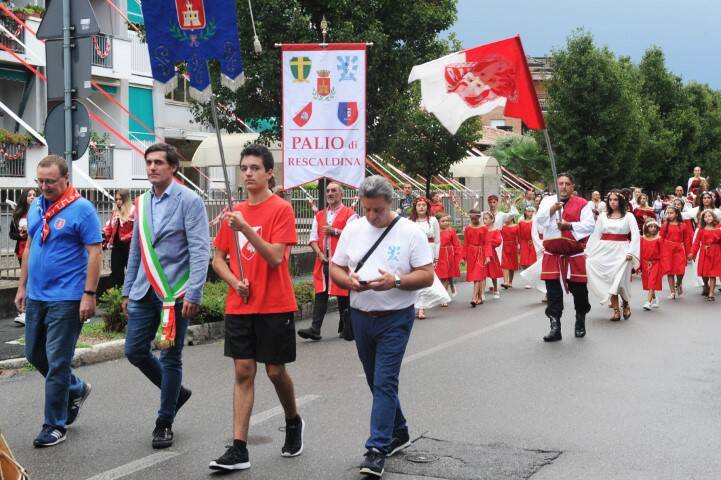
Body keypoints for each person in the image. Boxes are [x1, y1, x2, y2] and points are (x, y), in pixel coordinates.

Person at [330, 175, 434, 478]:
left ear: (390, 203)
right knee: (375, 379)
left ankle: (377, 448)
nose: (373, 216)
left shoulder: (410, 232)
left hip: (396, 317)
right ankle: (399, 430)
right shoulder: (353, 229)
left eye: (378, 210)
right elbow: (335, 266)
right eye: (368, 210)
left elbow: (426, 275)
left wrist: (396, 281)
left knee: (385, 381)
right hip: (361, 315)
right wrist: (346, 280)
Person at [209, 144, 304, 471]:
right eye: (244, 168)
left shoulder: (281, 209)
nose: (247, 173)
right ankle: (238, 447)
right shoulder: (233, 212)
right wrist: (235, 282)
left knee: (275, 371)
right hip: (240, 304)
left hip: (275, 303)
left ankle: (293, 420)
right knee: (243, 370)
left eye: (254, 168)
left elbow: (276, 257)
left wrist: (245, 228)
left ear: (268, 173)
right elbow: (218, 259)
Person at [122, 143, 210, 449]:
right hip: (144, 289)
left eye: (158, 162)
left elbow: (200, 250)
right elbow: (137, 249)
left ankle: (164, 421)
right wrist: (126, 288)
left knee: (170, 356)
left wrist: (195, 293)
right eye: (148, 162)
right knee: (134, 351)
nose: (152, 167)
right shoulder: (143, 202)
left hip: (175, 291)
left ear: (172, 167)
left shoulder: (190, 200)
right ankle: (176, 394)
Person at [14, 155, 101, 447]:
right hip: (37, 295)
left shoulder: (83, 210)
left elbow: (95, 254)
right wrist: (21, 286)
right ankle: (75, 388)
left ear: (66, 179)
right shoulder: (37, 206)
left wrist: (88, 294)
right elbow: (29, 250)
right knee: (33, 355)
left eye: (50, 181)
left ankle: (54, 424)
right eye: (40, 181)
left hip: (67, 297)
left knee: (58, 361)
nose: (44, 186)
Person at [535, 173, 595, 341]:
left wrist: (569, 225)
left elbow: (590, 225)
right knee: (553, 293)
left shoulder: (582, 203)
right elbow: (539, 220)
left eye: (567, 183)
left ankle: (580, 319)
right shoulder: (548, 201)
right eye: (560, 183)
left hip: (574, 255)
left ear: (572, 186)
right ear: (556, 185)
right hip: (552, 255)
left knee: (580, 293)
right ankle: (555, 328)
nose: (563, 186)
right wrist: (552, 210)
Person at [298, 181, 356, 341]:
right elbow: (313, 238)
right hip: (323, 260)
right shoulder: (319, 215)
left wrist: (335, 231)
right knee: (321, 293)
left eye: (334, 191)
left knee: (343, 294)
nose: (330, 193)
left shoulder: (350, 214)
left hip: (341, 262)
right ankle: (315, 328)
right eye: (328, 191)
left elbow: (353, 235)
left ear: (341, 194)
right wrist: (318, 253)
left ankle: (347, 327)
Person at [585, 190, 640, 321]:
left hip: (622, 252)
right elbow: (596, 235)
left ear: (621, 201)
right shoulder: (603, 216)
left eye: (615, 200)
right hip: (605, 251)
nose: (612, 202)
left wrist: (631, 252)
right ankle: (616, 310)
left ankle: (625, 303)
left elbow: (636, 235)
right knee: (611, 281)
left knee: (621, 282)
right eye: (610, 200)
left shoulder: (629, 216)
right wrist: (589, 252)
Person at [9, 187, 38, 326]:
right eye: (29, 195)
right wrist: (20, 236)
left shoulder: (40, 212)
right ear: (24, 198)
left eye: (34, 195)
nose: (32, 197)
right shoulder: (17, 215)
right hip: (21, 251)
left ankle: (29, 312)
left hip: (36, 250)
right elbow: (11, 234)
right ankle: (24, 311)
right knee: (25, 280)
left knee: (34, 279)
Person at [410, 197, 440, 319]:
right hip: (415, 251)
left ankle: (421, 308)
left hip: (429, 250)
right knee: (413, 280)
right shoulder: (410, 221)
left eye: (423, 205)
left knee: (424, 279)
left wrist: (436, 257)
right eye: (419, 205)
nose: (421, 207)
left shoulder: (432, 221)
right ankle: (412, 307)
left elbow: (437, 240)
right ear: (415, 207)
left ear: (427, 207)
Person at [102, 189, 134, 289]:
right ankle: (117, 298)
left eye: (121, 199)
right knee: (116, 274)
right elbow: (110, 228)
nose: (118, 201)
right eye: (116, 199)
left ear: (126, 199)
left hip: (130, 248)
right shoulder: (115, 212)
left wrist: (126, 237)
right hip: (117, 247)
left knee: (132, 274)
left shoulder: (133, 211)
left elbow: (138, 230)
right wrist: (104, 239)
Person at [660, 205, 692, 299]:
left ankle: (678, 283)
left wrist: (689, 252)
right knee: (669, 271)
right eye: (667, 213)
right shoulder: (665, 225)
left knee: (680, 270)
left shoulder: (682, 225)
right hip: (667, 249)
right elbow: (661, 238)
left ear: (677, 214)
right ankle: (672, 292)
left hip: (678, 249)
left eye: (671, 213)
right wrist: (660, 251)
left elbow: (686, 239)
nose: (669, 215)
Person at [688, 210, 721, 301]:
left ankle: (711, 293)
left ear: (714, 217)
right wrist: (692, 253)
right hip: (704, 253)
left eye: (710, 216)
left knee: (713, 274)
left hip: (716, 253)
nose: (708, 218)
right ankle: (706, 285)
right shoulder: (701, 230)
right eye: (705, 217)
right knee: (704, 274)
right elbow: (696, 243)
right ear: (703, 219)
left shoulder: (718, 230)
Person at [464, 208, 489, 306]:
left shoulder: (484, 228)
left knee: (477, 276)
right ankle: (479, 297)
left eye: (476, 218)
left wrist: (487, 256)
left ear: (479, 217)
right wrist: (463, 256)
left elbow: (487, 243)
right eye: (472, 218)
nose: (474, 220)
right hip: (471, 254)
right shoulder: (467, 228)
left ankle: (474, 298)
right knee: (475, 277)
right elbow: (465, 243)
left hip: (480, 253)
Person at [435, 214, 462, 300]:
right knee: (442, 276)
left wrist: (459, 257)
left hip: (448, 255)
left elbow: (456, 244)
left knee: (445, 276)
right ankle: (451, 285)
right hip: (438, 255)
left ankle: (444, 297)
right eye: (443, 221)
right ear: (438, 222)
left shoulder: (451, 231)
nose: (446, 223)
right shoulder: (435, 231)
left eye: (447, 221)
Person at [641, 221, 663, 310]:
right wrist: (638, 266)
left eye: (655, 226)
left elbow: (663, 252)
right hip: (645, 263)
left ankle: (648, 302)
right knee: (648, 283)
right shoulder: (642, 238)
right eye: (650, 226)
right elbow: (641, 252)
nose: (653, 228)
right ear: (646, 228)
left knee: (652, 281)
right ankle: (654, 298)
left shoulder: (659, 239)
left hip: (656, 263)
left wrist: (664, 265)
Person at [483, 211, 503, 298]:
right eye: (483, 219)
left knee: (493, 272)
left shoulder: (496, 231)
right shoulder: (482, 229)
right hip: (482, 253)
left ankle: (495, 289)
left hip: (491, 254)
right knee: (482, 272)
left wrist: (489, 242)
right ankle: (481, 292)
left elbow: (498, 241)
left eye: (486, 219)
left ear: (492, 220)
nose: (484, 221)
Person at [518, 207, 537, 288]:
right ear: (525, 212)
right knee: (525, 263)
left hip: (533, 243)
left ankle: (530, 281)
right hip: (524, 243)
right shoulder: (521, 222)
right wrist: (518, 244)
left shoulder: (535, 222)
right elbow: (519, 234)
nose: (530, 213)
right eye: (529, 211)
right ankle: (528, 279)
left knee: (532, 262)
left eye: (532, 211)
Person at [500, 215, 519, 289]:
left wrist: (519, 245)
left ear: (511, 218)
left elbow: (519, 236)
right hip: (505, 246)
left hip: (513, 246)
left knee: (512, 265)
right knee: (505, 264)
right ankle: (505, 282)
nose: (505, 219)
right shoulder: (502, 227)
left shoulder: (516, 226)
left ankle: (510, 282)